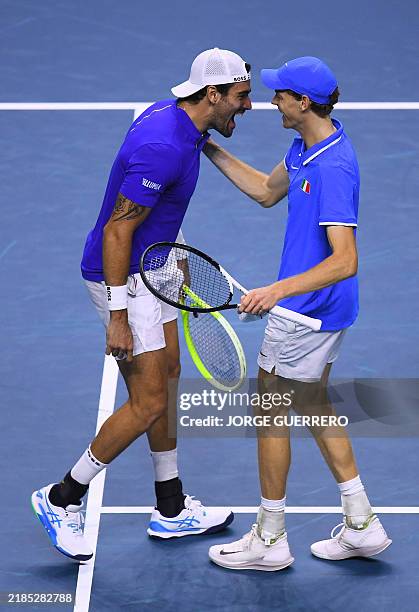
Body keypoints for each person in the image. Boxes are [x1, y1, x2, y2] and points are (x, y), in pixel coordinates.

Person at [31, 48, 252, 561]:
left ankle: (171, 508)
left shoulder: (183, 123)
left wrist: (171, 257)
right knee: (148, 399)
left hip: (153, 267)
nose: (247, 107)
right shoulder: (162, 146)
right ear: (212, 94)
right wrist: (117, 315)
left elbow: (153, 215)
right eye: (241, 98)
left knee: (168, 374)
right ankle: (62, 496)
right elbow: (117, 228)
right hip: (125, 277)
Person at [204, 56, 392, 571]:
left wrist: (276, 292)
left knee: (269, 417)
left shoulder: (333, 166)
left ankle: (269, 538)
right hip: (322, 311)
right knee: (312, 403)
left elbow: (345, 260)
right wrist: (209, 147)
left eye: (280, 94)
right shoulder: (308, 145)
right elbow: (267, 191)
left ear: (303, 102)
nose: (271, 101)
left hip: (306, 313)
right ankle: (362, 525)